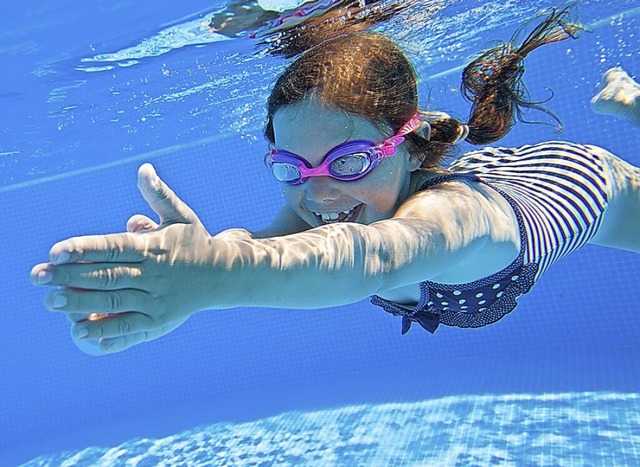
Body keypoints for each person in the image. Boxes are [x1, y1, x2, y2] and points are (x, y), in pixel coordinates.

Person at [31, 5, 639, 355]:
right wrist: (192, 261)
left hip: (585, 185)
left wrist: (216, 280)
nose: (318, 195)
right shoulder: (327, 202)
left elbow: (372, 259)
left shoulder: (459, 223)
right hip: (485, 173)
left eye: (348, 162)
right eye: (292, 169)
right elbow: (267, 249)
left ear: (401, 143)